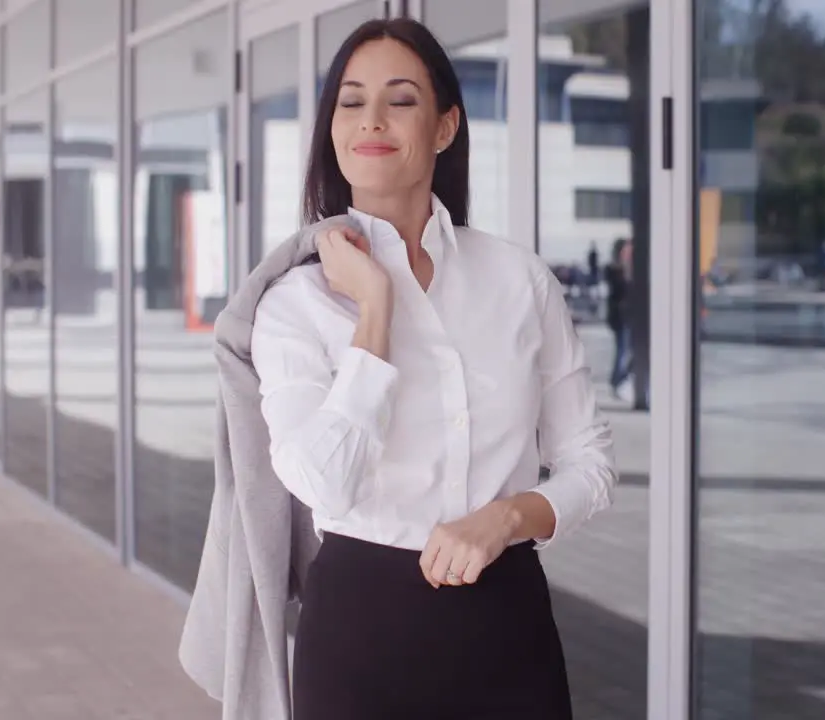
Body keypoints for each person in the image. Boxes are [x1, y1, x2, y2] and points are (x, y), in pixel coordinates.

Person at [249, 18, 617, 719]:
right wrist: (375, 309)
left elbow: (589, 463)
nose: (372, 120)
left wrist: (510, 517)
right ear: (332, 128)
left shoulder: (519, 279)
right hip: (360, 633)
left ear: (445, 128)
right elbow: (322, 481)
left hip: (508, 628)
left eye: (402, 99)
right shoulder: (293, 305)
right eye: (351, 101)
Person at [604, 237, 633, 400]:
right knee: (622, 348)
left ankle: (621, 378)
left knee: (628, 348)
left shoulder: (628, 268)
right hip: (620, 317)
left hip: (629, 316)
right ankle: (617, 380)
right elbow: (620, 289)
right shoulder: (614, 269)